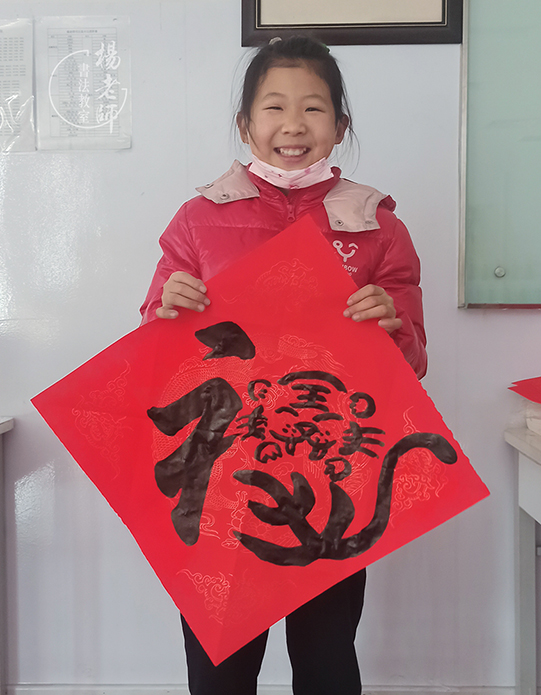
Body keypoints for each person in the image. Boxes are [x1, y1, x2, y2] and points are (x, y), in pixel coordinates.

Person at [140, 35, 426, 695]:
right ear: (245, 125)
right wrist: (165, 308)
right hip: (222, 472)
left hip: (331, 469)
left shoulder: (377, 226)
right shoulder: (198, 219)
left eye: (313, 108)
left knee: (326, 657)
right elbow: (157, 351)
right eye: (273, 107)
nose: (293, 124)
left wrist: (391, 324)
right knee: (220, 666)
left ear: (340, 126)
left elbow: (412, 360)